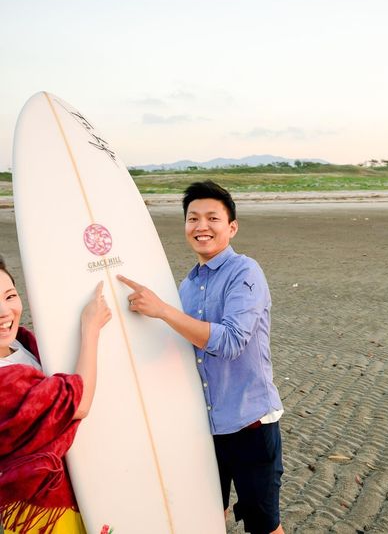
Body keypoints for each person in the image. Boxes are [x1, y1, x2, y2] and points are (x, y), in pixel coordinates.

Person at [117, 180, 285, 534]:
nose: (201, 226)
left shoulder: (245, 272)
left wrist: (163, 310)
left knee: (264, 525)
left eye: (212, 218)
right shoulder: (188, 285)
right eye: (193, 218)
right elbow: (184, 350)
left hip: (250, 424)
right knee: (206, 518)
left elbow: (231, 341)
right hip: (205, 428)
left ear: (232, 227)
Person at [0, 256, 112, 533]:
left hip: (74, 487)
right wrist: (91, 329)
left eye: (10, 296)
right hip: (41, 507)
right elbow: (78, 404)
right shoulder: (4, 382)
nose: (4, 312)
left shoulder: (20, 344)